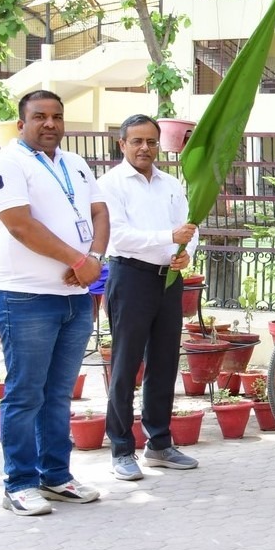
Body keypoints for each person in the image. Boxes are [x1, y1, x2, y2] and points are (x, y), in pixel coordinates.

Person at [0, 90, 109, 515]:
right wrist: (76, 259)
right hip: (25, 298)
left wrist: (93, 260)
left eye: (56, 116)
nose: (50, 124)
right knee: (25, 395)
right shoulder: (6, 163)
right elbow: (20, 225)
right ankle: (18, 483)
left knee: (57, 395)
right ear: (22, 123)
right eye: (39, 117)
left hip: (73, 298)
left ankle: (56, 477)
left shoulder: (75, 162)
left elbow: (100, 214)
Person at [98, 115, 201, 481]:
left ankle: (158, 443)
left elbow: (190, 227)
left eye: (151, 142)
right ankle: (121, 448)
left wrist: (187, 250)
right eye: (137, 141)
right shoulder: (109, 185)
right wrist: (168, 237)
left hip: (169, 280)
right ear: (122, 144)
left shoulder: (170, 183)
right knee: (126, 366)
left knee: (164, 363)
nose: (145, 148)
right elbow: (119, 237)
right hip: (130, 278)